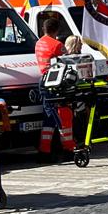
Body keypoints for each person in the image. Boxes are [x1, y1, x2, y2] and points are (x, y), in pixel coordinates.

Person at [34, 11, 76, 160]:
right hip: (56, 83)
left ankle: (44, 150)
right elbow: (69, 64)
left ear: (44, 29)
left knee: (49, 117)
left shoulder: (38, 43)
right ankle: (68, 149)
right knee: (63, 114)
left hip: (43, 81)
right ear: (56, 30)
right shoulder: (58, 45)